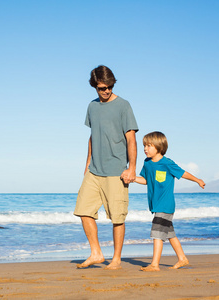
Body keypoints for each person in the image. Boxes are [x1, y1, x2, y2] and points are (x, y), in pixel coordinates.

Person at [74, 65, 138, 270]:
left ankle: (116, 259)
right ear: (94, 86)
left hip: (117, 171)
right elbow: (93, 136)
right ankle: (96, 253)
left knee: (117, 217)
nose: (106, 91)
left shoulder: (124, 105)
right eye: (102, 88)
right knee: (83, 211)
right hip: (94, 170)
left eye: (109, 86)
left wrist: (132, 168)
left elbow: (131, 139)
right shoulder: (92, 107)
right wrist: (86, 164)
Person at [134, 131, 205, 271]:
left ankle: (154, 264)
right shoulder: (147, 163)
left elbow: (182, 173)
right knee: (169, 234)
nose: (145, 149)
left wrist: (197, 180)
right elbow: (146, 180)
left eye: (149, 146)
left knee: (157, 233)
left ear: (159, 146)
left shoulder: (167, 163)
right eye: (144, 146)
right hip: (156, 204)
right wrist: (133, 178)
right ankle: (182, 258)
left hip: (165, 204)